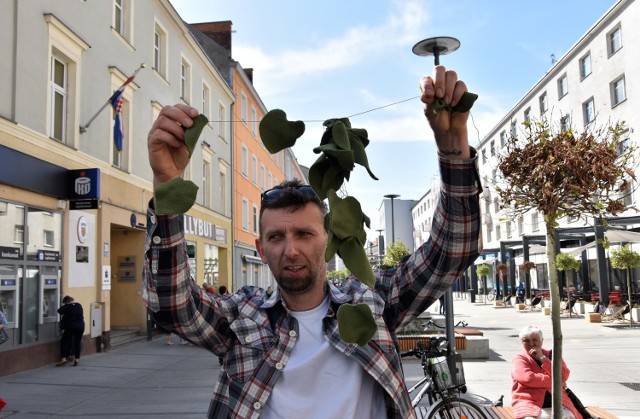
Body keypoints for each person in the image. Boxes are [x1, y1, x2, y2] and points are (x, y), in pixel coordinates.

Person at [143, 65, 481, 418]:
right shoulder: (241, 318)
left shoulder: (372, 301)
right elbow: (172, 306)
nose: (291, 250)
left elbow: (452, 250)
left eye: (304, 233)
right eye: (276, 236)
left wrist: (453, 145)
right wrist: (167, 182)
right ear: (260, 249)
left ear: (327, 239)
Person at [511, 325, 582, 419]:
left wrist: (542, 358)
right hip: (529, 403)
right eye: (526, 340)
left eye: (534, 339)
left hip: (559, 403)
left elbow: (563, 375)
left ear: (541, 341)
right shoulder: (520, 358)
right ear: (522, 342)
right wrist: (557, 382)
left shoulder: (552, 354)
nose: (531, 343)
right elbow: (528, 378)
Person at [56, 296, 85, 367]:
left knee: (64, 341)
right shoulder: (79, 305)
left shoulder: (67, 306)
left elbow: (59, 311)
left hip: (71, 327)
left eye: (65, 303)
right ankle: (77, 360)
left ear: (66, 302)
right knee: (77, 342)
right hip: (80, 326)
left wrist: (67, 305)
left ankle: (63, 359)